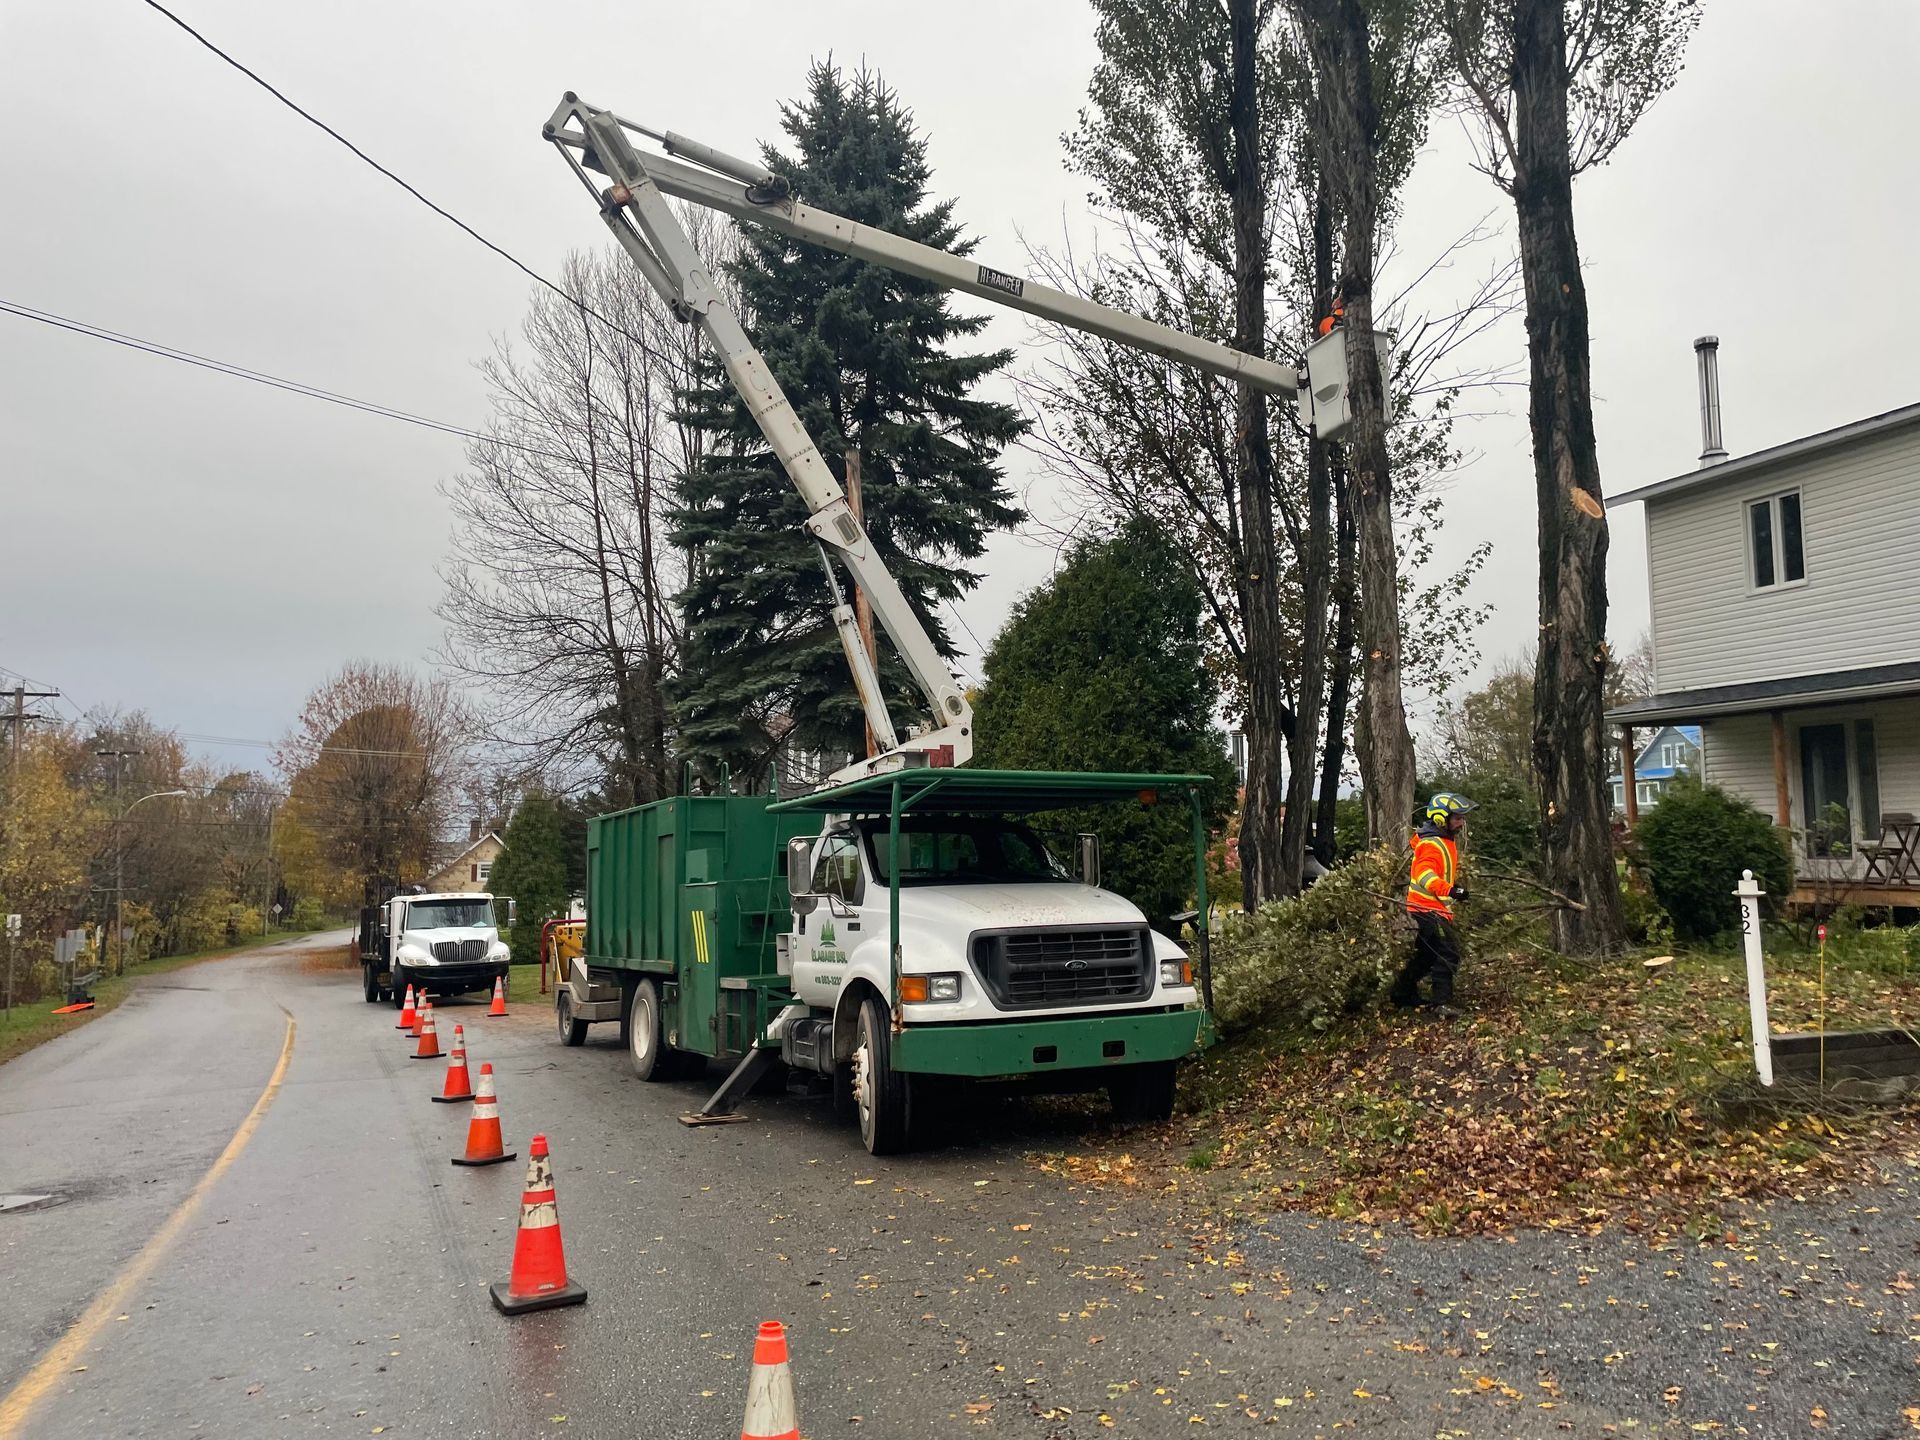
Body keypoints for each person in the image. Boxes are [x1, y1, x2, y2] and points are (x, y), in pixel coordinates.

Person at [1390, 791, 1476, 1016]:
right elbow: (1425, 876)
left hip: (1431, 906)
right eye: (1457, 818)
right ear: (1441, 818)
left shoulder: (1444, 840)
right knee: (1448, 952)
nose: (1461, 822)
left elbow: (1440, 871)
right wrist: (1451, 890)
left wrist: (1452, 888)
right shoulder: (1432, 844)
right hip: (1427, 907)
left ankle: (1401, 993)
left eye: (1461, 818)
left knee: (1427, 954)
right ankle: (1441, 1003)